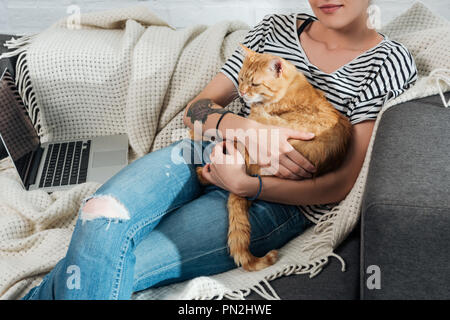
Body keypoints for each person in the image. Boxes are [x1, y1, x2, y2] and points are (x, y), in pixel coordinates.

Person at [23, 0, 417, 299]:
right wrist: (242, 128)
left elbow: (342, 182)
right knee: (100, 213)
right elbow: (197, 111)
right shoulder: (274, 31)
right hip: (205, 150)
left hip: (273, 201)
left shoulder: (389, 61)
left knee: (121, 262)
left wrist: (249, 187)